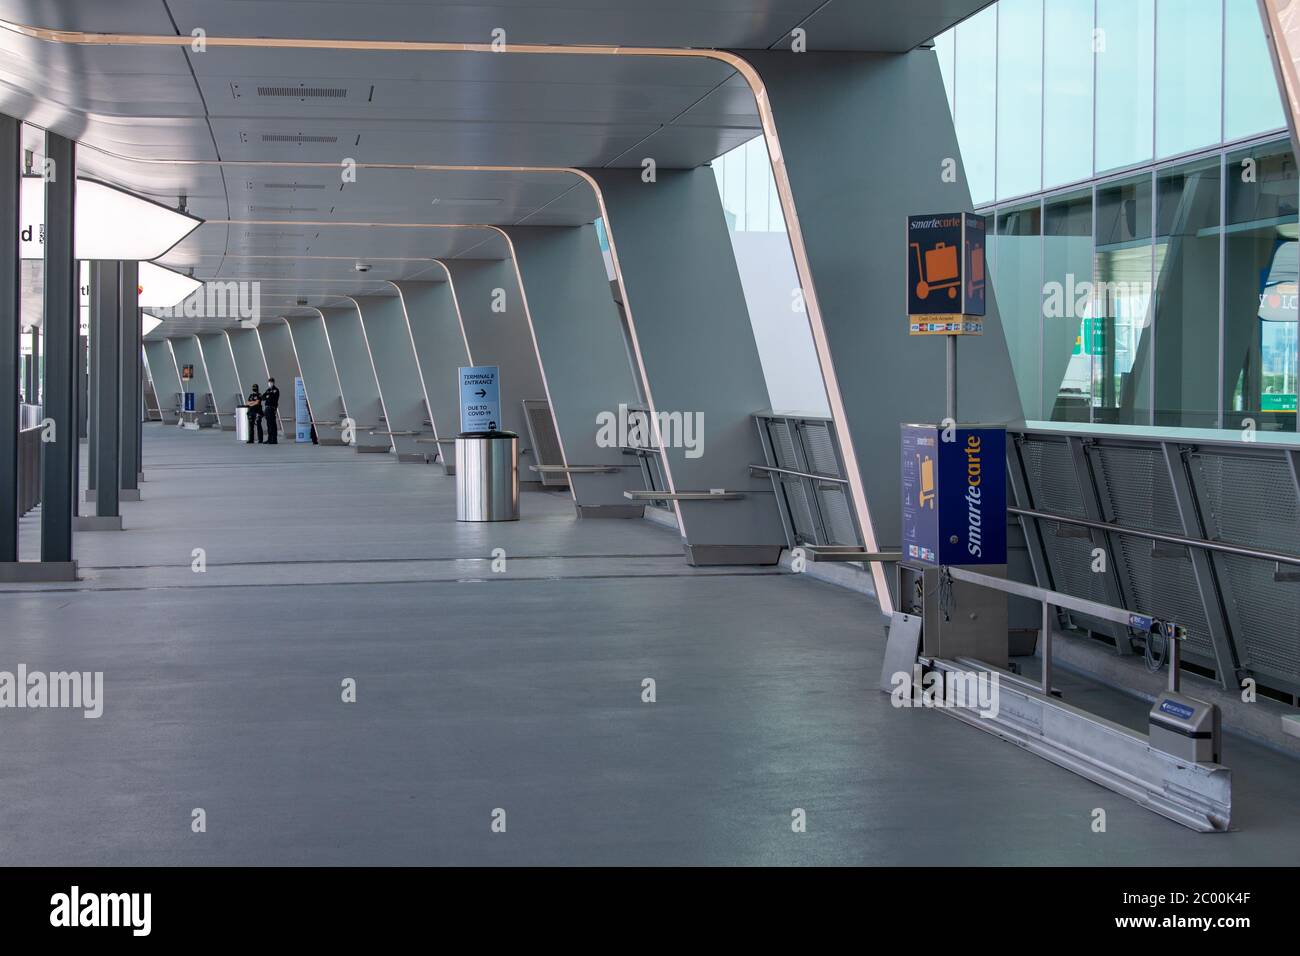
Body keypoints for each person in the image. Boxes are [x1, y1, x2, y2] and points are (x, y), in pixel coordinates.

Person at [263, 376, 281, 444]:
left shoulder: (275, 390)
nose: (270, 383)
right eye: (269, 382)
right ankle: (269, 439)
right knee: (268, 424)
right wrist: (268, 396)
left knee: (272, 424)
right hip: (267, 408)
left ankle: (274, 439)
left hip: (272, 408)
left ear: (273, 383)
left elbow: (272, 398)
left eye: (271, 382)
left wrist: (268, 396)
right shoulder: (268, 390)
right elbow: (263, 397)